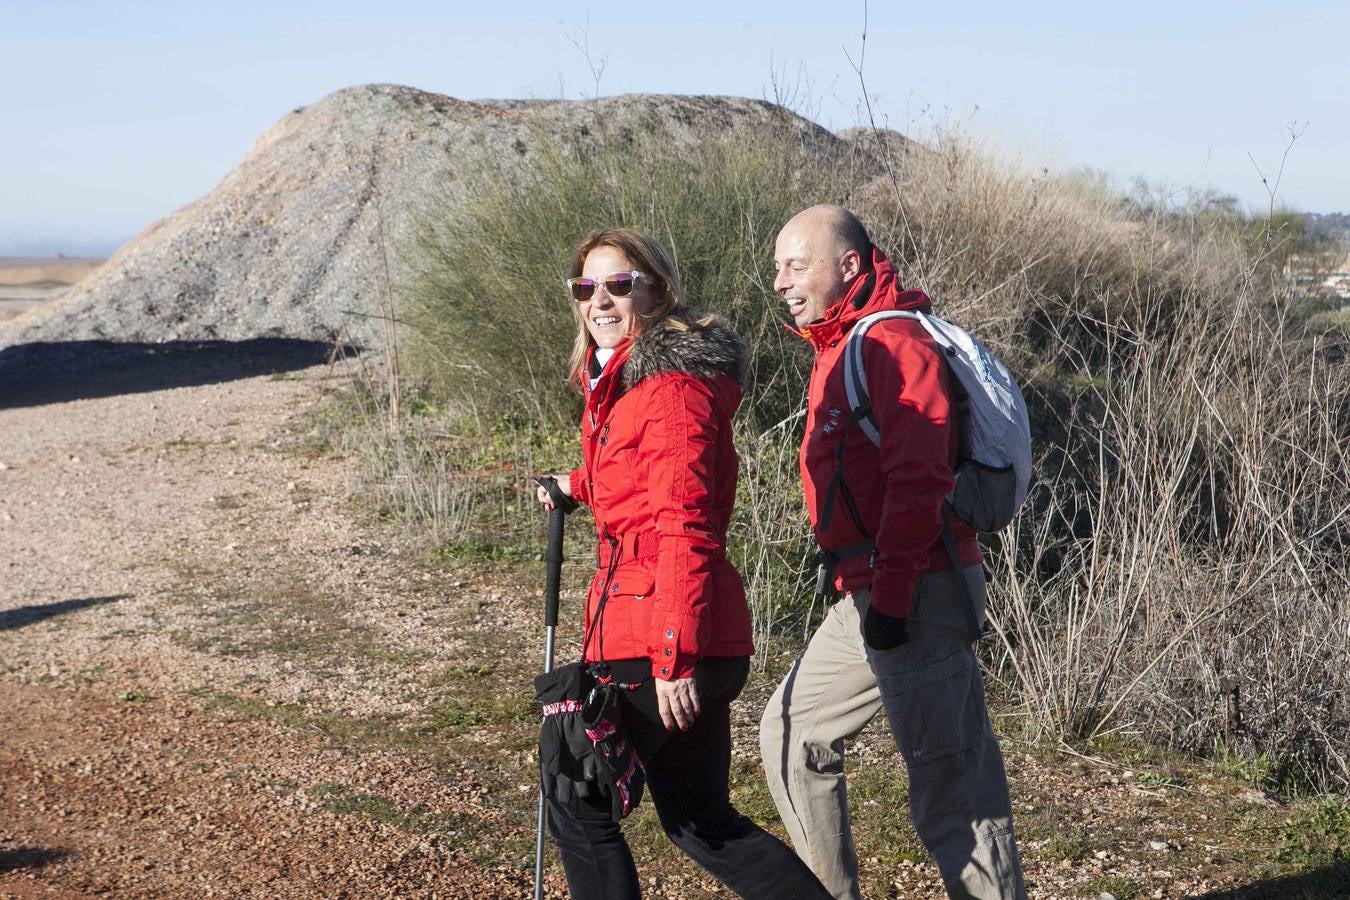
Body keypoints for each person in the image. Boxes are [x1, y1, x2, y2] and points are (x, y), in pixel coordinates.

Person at [536, 227, 830, 899]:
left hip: (664, 636)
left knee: (579, 803)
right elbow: (642, 481)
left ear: (657, 290)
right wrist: (575, 485)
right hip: (678, 630)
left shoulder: (669, 389)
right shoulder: (627, 386)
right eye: (586, 288)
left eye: (618, 285)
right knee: (699, 818)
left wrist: (674, 656)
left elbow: (685, 524)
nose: (600, 301)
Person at [758, 205, 1026, 900]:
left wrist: (896, 595)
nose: (782, 282)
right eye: (778, 267)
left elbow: (920, 478)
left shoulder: (891, 341)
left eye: (797, 265)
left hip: (917, 588)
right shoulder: (838, 344)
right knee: (791, 735)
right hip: (872, 589)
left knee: (953, 794)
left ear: (849, 267)